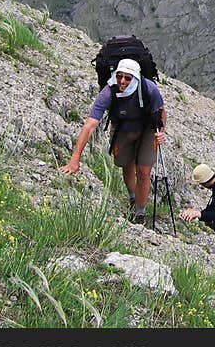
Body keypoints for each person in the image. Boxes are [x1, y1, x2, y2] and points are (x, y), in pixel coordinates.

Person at [60, 58, 166, 224]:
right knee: (125, 164)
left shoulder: (149, 89)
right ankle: (133, 197)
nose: (122, 81)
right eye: (120, 76)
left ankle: (140, 213)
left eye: (128, 78)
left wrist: (162, 132)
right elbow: (89, 126)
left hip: (147, 129)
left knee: (144, 171)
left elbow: (160, 111)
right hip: (122, 128)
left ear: (136, 78)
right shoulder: (109, 92)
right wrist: (75, 160)